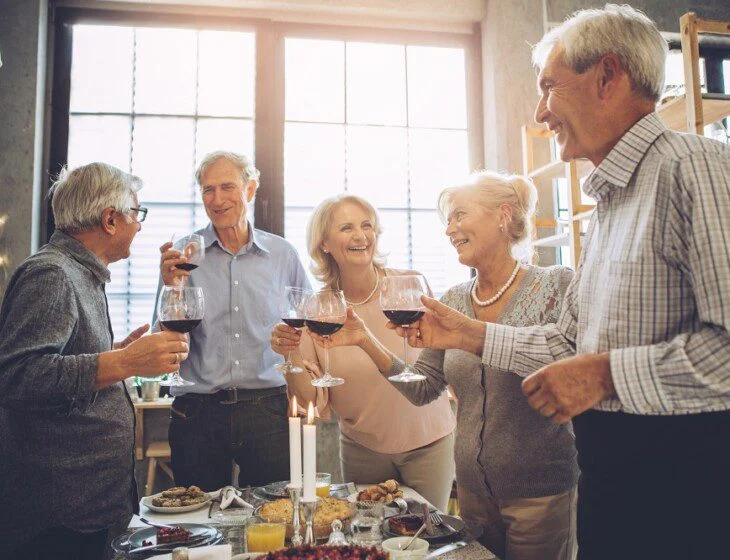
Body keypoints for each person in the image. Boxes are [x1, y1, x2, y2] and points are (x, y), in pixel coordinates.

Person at [393, 5, 730, 559]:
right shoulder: (605, 209)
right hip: (608, 481)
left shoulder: (693, 168)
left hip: (685, 488)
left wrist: (608, 375)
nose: (540, 111)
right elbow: (568, 343)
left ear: (607, 76)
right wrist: (466, 334)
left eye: (549, 87)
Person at [308, 179, 578, 559]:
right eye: (447, 221)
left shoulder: (554, 284)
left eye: (459, 216)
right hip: (473, 494)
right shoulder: (453, 298)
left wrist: (472, 335)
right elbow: (424, 388)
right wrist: (365, 339)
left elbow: (567, 364)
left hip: (538, 492)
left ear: (502, 217)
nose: (449, 229)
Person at [0, 162, 189, 559]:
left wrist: (118, 353)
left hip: (89, 504)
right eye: (135, 213)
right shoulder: (51, 274)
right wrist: (124, 363)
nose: (138, 225)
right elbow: (18, 377)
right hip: (60, 514)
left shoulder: (81, 273)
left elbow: (66, 361)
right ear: (109, 219)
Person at [270, 194, 456, 512]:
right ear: (324, 243)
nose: (360, 235)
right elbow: (309, 402)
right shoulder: (316, 309)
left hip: (429, 443)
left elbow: (438, 364)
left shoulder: (407, 288)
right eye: (346, 228)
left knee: (426, 537)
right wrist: (291, 354)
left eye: (366, 225)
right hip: (363, 449)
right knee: (370, 537)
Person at [157, 151, 310, 491]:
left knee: (276, 515)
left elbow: (308, 325)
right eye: (208, 189)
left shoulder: (283, 254)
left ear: (251, 189)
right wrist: (173, 289)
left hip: (268, 409)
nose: (217, 199)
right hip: (197, 413)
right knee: (198, 523)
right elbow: (164, 343)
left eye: (228, 186)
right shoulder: (183, 254)